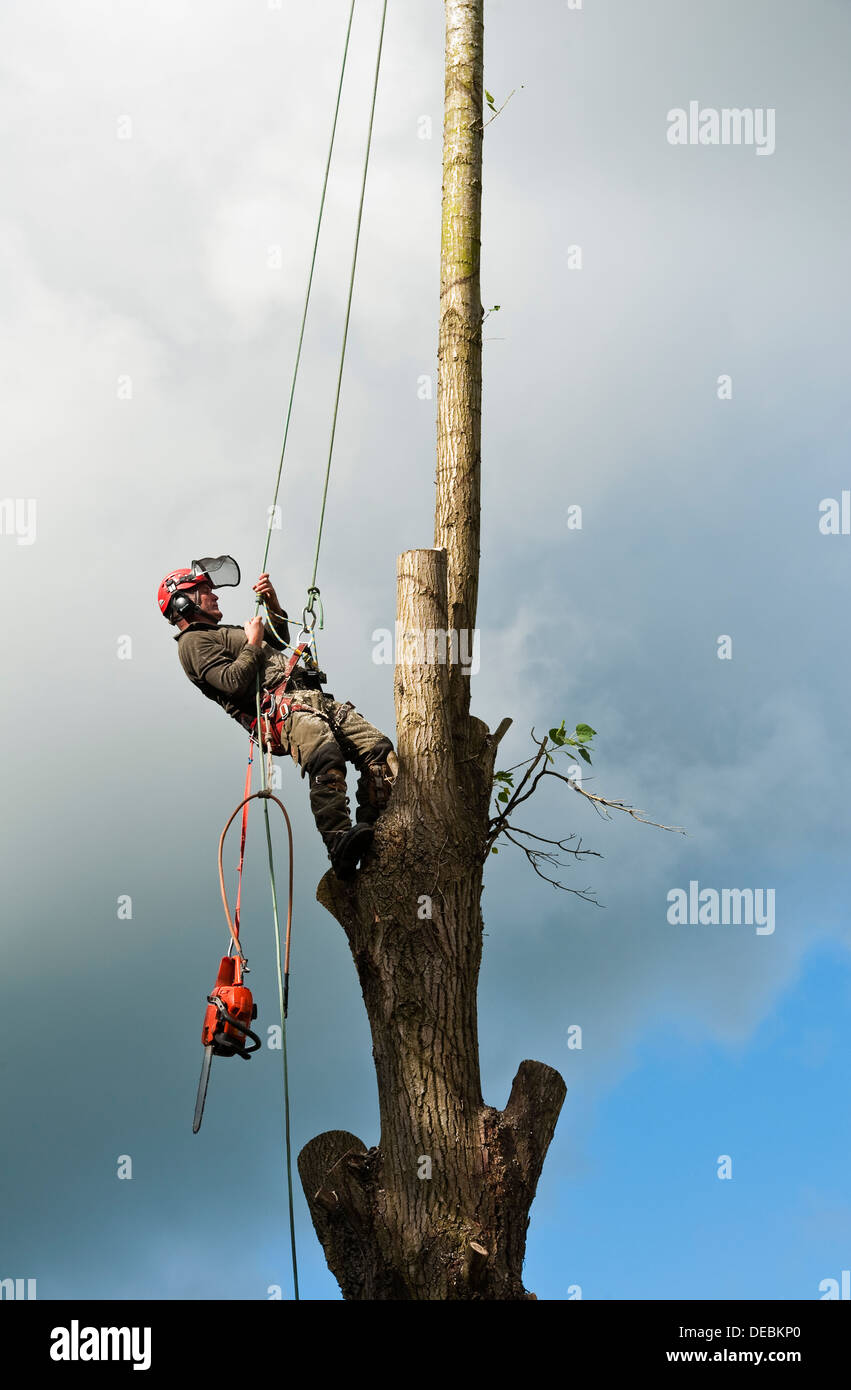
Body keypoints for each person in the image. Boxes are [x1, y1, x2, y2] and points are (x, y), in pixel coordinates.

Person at [158, 556, 396, 879]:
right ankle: (339, 843)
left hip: (308, 698)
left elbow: (281, 639)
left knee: (378, 749)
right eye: (205, 591)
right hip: (281, 711)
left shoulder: (223, 632)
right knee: (326, 758)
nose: (215, 596)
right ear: (184, 602)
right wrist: (253, 642)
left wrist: (272, 604)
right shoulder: (192, 643)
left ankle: (372, 828)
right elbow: (232, 681)